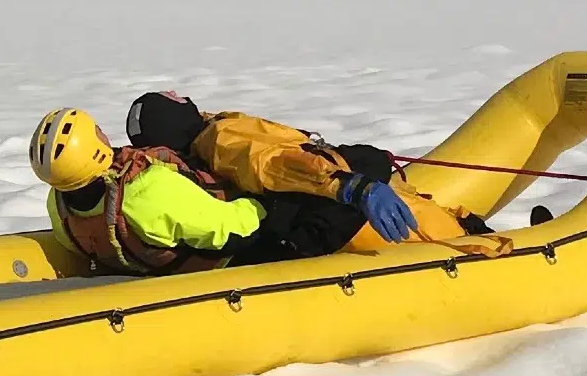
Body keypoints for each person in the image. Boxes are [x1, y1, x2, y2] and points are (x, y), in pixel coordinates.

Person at [124, 91, 493, 261]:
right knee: (454, 237)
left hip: (326, 208)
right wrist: (349, 185)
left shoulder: (206, 139)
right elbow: (272, 162)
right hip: (343, 211)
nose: (182, 96)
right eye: (173, 98)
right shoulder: (223, 139)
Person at [29, 107, 282, 275]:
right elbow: (233, 231)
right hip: (220, 268)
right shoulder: (147, 190)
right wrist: (266, 204)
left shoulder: (59, 204)